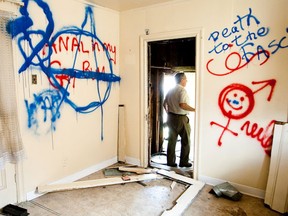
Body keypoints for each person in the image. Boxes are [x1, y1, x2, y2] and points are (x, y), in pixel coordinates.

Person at [163, 72, 195, 167]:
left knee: (172, 141)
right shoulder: (182, 91)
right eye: (185, 79)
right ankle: (183, 162)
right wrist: (195, 109)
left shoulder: (170, 90)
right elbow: (182, 105)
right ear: (182, 80)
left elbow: (164, 104)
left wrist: (169, 113)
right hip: (181, 119)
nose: (186, 81)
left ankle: (170, 162)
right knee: (185, 141)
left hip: (171, 117)